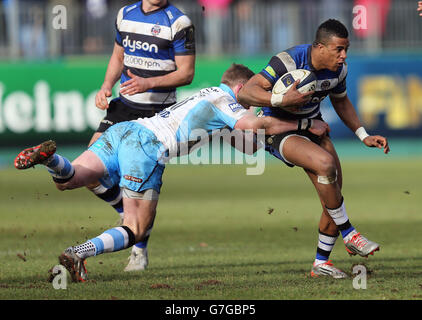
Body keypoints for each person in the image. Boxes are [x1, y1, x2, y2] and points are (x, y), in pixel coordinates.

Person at [14, 63, 329, 282]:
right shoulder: (224, 101)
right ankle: (77, 252)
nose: (257, 98)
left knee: (69, 180)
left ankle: (50, 160)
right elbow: (253, 125)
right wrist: (305, 124)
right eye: (255, 92)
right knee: (135, 228)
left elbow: (247, 145)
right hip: (148, 148)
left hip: (125, 131)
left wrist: (260, 127)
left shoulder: (209, 96)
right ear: (240, 87)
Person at [237, 19, 390, 279]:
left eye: (346, 49)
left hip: (312, 127)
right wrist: (281, 99)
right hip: (277, 129)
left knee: (333, 192)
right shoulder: (288, 61)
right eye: (338, 49)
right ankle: (350, 232)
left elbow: (341, 102)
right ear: (319, 47)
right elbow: (246, 93)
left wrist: (362, 134)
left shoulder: (339, 71)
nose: (343, 56)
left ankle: (321, 263)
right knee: (325, 165)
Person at [89, 0, 196, 272]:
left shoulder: (179, 22)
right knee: (89, 169)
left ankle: (139, 249)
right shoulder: (125, 14)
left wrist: (148, 82)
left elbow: (186, 73)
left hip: (158, 114)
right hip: (124, 106)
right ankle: (126, 215)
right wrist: (105, 86)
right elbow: (118, 55)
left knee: (142, 185)